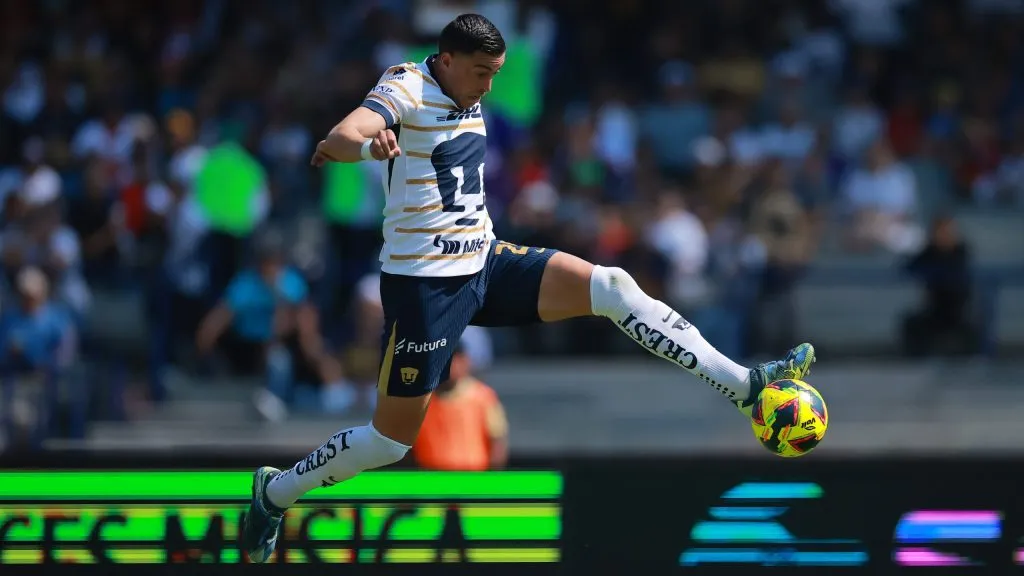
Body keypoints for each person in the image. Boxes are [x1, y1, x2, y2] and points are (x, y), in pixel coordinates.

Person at [241, 14, 816, 562]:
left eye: (497, 73)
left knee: (611, 286)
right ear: (445, 60)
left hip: (485, 261)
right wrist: (369, 145)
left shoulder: (470, 90)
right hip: (425, 289)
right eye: (481, 73)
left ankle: (746, 385)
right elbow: (342, 135)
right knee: (390, 443)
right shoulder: (407, 86)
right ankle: (277, 492)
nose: (490, 86)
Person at [411, 338, 508, 471]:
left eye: (453, 359)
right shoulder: (418, 400)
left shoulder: (483, 397)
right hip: (431, 482)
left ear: (465, 362)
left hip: (473, 481)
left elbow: (497, 442)